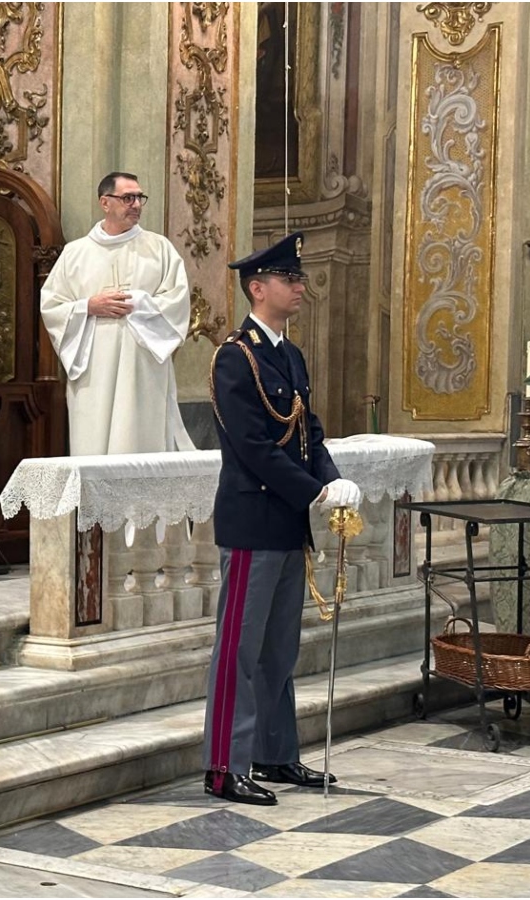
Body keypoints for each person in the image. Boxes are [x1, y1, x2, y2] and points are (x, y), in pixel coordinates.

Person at [201, 231, 360, 806]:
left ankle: (273, 753)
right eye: (289, 279)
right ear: (257, 287)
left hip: (288, 522)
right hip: (253, 521)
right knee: (239, 651)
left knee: (278, 651)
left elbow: (307, 433)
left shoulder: (289, 355)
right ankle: (224, 765)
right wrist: (312, 493)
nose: (300, 287)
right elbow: (251, 446)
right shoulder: (233, 357)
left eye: (298, 278)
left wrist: (332, 478)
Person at [39, 171, 196, 455]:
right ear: (105, 203)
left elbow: (177, 302)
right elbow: (52, 306)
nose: (135, 204)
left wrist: (138, 302)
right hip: (93, 371)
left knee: (139, 443)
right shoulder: (76, 253)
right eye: (127, 198)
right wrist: (88, 306)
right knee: (94, 443)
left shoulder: (159, 249)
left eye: (139, 197)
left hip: (142, 368)